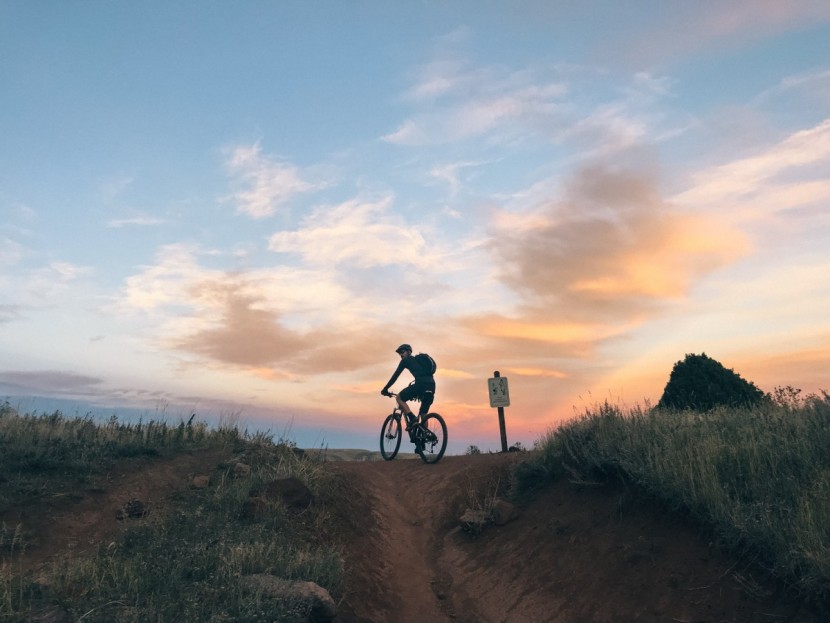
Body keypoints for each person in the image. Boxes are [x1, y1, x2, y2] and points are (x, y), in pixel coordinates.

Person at [380, 343, 436, 435]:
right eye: (399, 354)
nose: (401, 355)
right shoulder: (419, 362)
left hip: (421, 385)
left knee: (399, 398)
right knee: (424, 414)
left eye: (402, 352)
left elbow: (395, 376)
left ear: (409, 352)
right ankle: (423, 439)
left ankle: (412, 418)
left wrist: (385, 389)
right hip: (432, 386)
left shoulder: (406, 361)